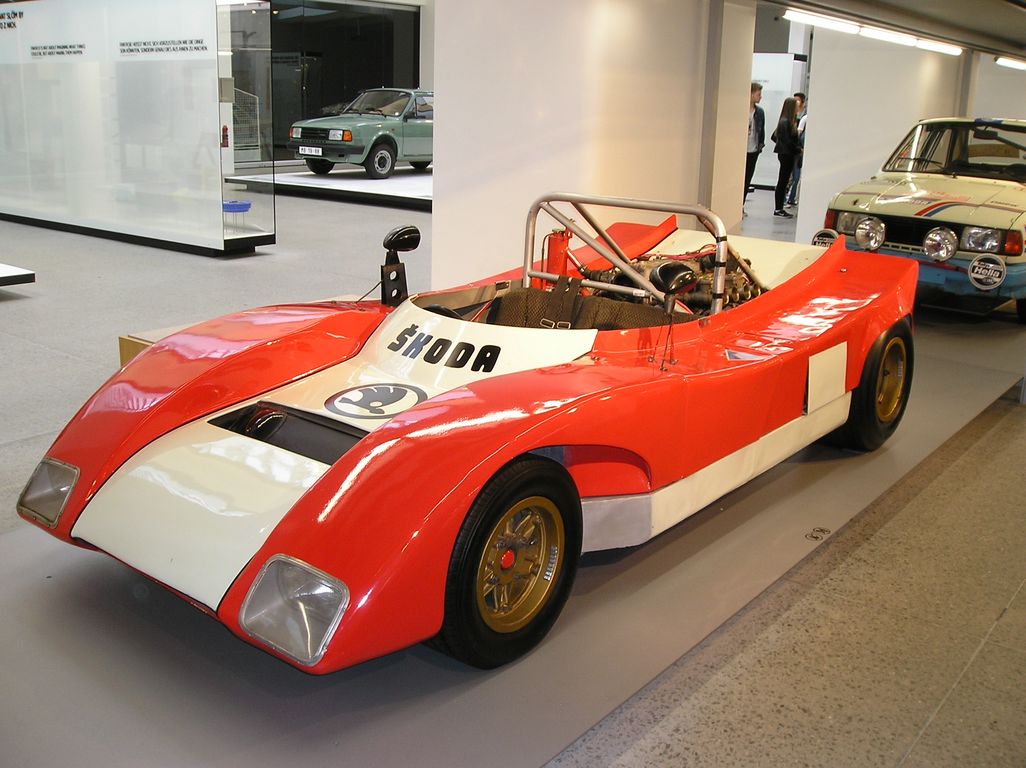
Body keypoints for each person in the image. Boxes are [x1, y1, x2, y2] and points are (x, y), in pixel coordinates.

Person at [771, 97, 802, 218]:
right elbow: (786, 140)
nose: (798, 108)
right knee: (783, 181)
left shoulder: (788, 121)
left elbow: (775, 137)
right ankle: (778, 208)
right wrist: (798, 149)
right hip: (786, 154)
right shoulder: (785, 122)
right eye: (797, 106)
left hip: (786, 153)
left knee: (784, 180)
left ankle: (779, 207)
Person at [744, 82, 765, 207]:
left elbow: (762, 130)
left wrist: (760, 146)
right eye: (758, 94)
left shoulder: (760, 112)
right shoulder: (742, 109)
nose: (760, 97)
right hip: (742, 149)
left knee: (748, 178)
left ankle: (741, 204)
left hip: (753, 149)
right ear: (751, 94)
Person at [785, 93, 806, 207]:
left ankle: (790, 198)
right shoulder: (789, 120)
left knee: (795, 177)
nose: (796, 104)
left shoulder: (801, 117)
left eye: (798, 102)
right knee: (789, 176)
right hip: (793, 151)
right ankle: (786, 199)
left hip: (796, 151)